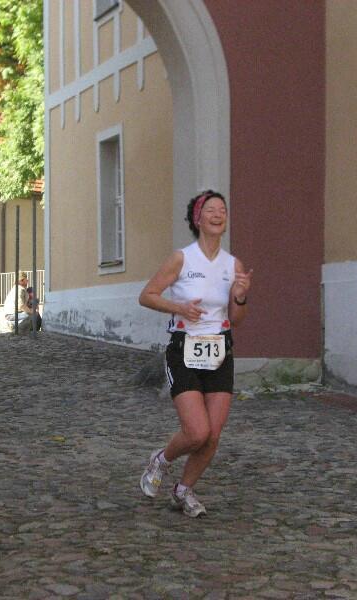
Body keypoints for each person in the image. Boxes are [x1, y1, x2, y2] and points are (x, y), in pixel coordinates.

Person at [138, 190, 253, 517]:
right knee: (197, 431)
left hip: (219, 350)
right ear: (197, 218)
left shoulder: (233, 264)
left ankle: (183, 490)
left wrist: (240, 296)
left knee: (212, 436)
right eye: (211, 210)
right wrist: (179, 307)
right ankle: (161, 460)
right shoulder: (181, 259)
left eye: (223, 210)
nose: (218, 215)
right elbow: (147, 295)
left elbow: (237, 318)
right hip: (184, 348)